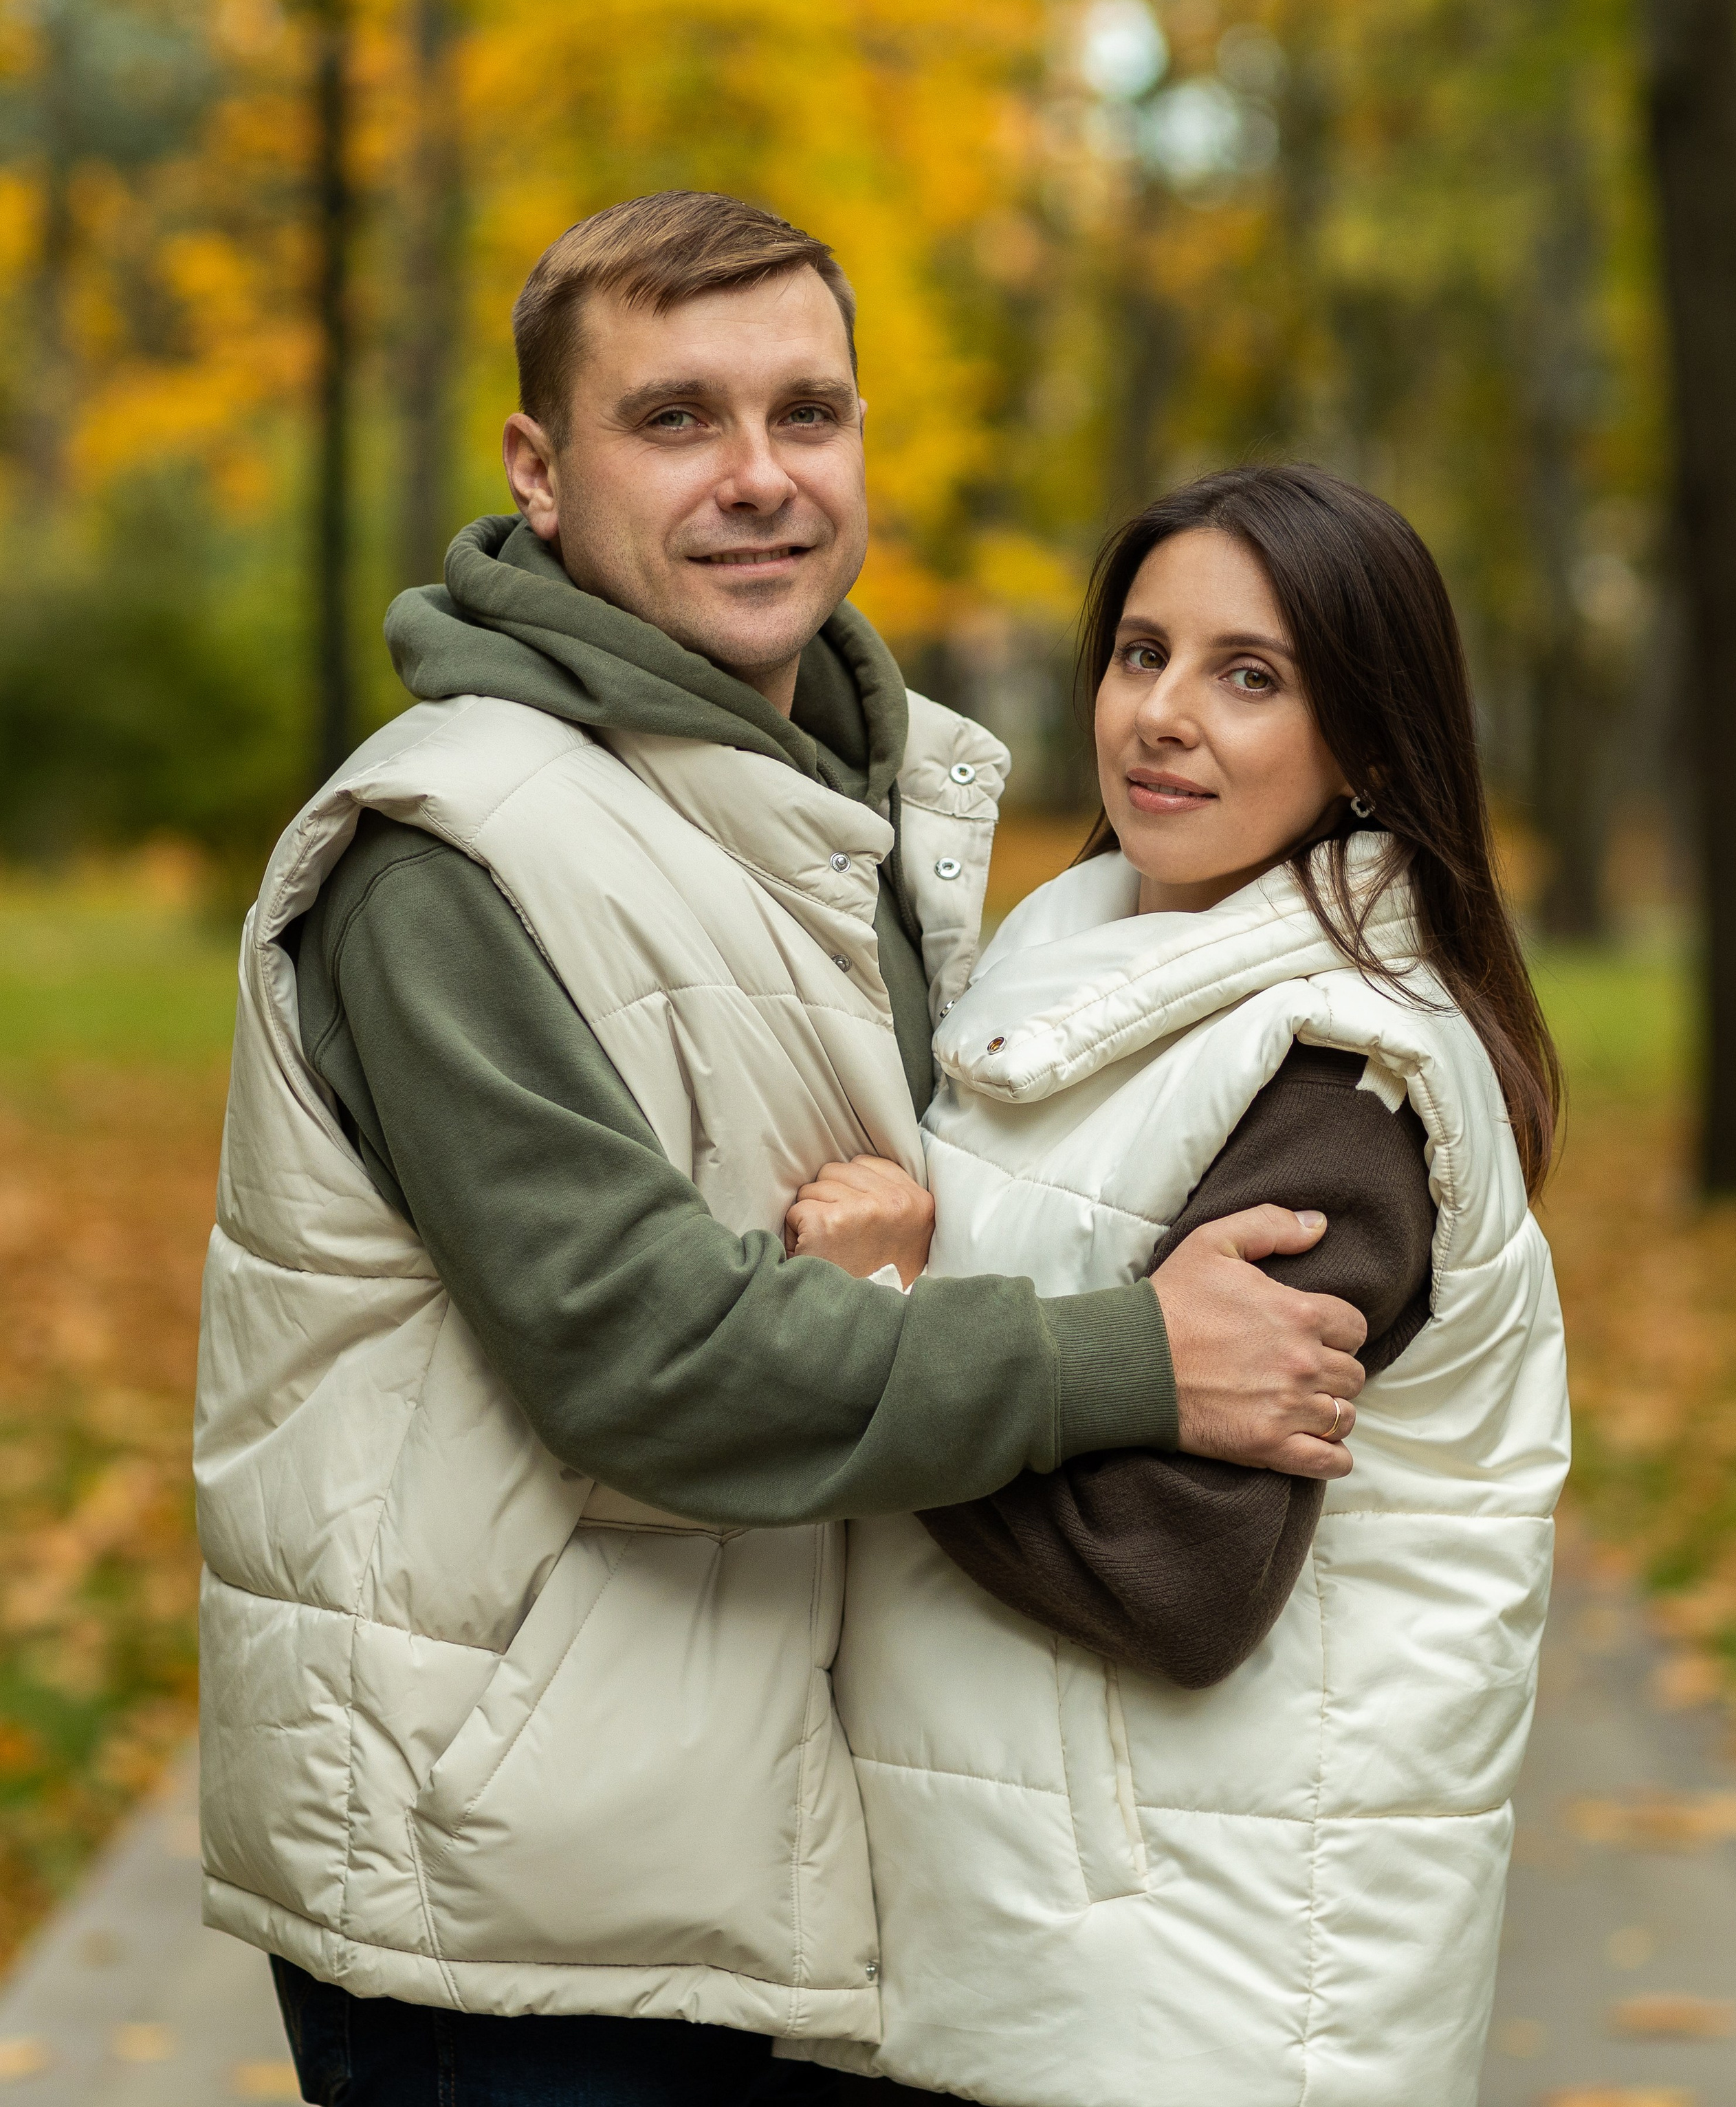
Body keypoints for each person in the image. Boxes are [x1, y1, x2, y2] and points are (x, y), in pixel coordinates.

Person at [193, 196, 1375, 2107]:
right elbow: (647, 1359)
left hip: (778, 1859)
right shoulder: (449, 851)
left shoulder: (864, 809)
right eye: (676, 421)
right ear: (540, 470)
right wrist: (1134, 1357)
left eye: (806, 415)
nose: (760, 479)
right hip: (520, 1918)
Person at [784, 466, 1571, 2107]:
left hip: (1196, 1997)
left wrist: (885, 1325)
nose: (1162, 714)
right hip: (1033, 1945)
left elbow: (1177, 1580)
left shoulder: (1338, 1077)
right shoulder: (1057, 964)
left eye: (1248, 675)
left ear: (1364, 740)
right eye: (1140, 651)